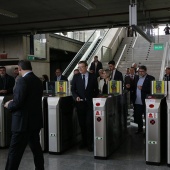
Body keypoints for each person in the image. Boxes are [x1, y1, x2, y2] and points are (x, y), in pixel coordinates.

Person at [4, 60, 44, 170]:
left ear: (20, 68)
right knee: (36, 149)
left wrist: (9, 104)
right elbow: (29, 100)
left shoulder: (22, 81)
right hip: (34, 122)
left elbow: (18, 102)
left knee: (14, 152)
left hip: (21, 123)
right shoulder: (38, 81)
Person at [71, 60, 99, 152]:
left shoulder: (93, 77)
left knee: (89, 124)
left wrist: (93, 98)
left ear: (86, 67)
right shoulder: (76, 77)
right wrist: (76, 97)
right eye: (79, 67)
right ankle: (84, 142)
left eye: (82, 67)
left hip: (90, 105)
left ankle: (90, 143)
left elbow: (96, 90)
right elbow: (73, 90)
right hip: (80, 104)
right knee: (82, 124)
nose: (80, 69)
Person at [134, 65, 155, 134]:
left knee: (147, 117)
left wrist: (142, 88)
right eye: (139, 71)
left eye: (142, 71)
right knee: (138, 116)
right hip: (137, 101)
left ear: (145, 71)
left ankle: (147, 131)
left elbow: (152, 89)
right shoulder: (136, 78)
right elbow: (134, 87)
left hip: (146, 101)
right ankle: (140, 129)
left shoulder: (151, 78)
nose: (140, 73)